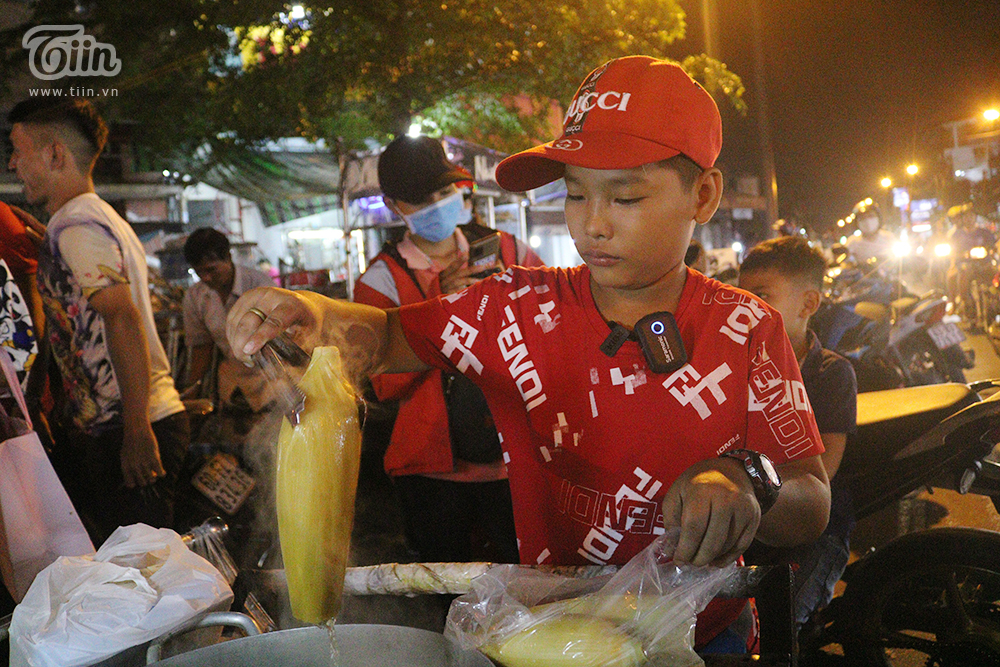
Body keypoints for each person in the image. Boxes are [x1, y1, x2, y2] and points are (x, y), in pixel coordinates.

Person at [227, 56, 830, 653]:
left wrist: (747, 480)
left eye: (625, 199)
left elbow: (812, 499)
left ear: (702, 195)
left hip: (706, 637)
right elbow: (384, 338)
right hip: (556, 639)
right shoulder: (513, 308)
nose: (592, 224)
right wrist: (307, 314)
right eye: (574, 195)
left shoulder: (747, 327)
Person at [352, 135, 543, 564]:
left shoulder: (510, 251)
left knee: (528, 587)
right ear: (393, 205)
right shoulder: (379, 282)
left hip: (515, 459)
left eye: (444, 193)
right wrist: (442, 309)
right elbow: (383, 382)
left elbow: (554, 329)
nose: (438, 205)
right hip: (431, 470)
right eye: (422, 200)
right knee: (444, 590)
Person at [7, 98, 190, 544]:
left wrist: (136, 429)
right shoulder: (90, 218)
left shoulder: (76, 225)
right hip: (124, 423)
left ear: (54, 154)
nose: (13, 164)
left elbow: (121, 318)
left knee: (144, 584)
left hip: (130, 427)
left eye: (18, 150)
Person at [738, 236, 858, 626]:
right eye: (738, 296)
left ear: (808, 304)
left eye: (760, 295)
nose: (746, 308)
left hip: (814, 530)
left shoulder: (831, 373)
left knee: (780, 624)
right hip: (748, 521)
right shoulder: (735, 364)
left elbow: (826, 468)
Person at [182, 227, 277, 419]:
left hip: (271, 381)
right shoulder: (195, 296)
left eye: (211, 269)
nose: (206, 278)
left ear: (227, 257)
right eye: (199, 272)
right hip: (232, 386)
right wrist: (191, 393)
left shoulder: (260, 285)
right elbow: (202, 348)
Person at [844, 200, 894, 265]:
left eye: (871, 216)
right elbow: (845, 263)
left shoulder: (889, 237)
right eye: (862, 218)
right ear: (857, 223)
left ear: (878, 218)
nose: (867, 221)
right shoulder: (852, 242)